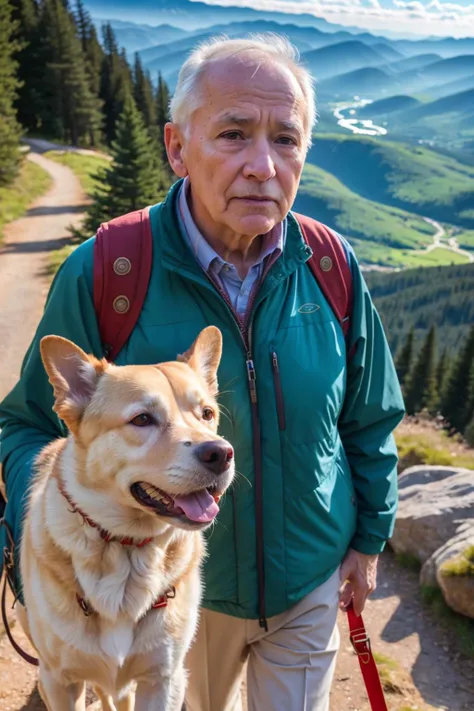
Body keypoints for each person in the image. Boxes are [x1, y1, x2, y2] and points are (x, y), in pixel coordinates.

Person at [0, 35, 405, 711]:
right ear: (176, 146)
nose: (263, 165)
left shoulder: (331, 267)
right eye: (233, 134)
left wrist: (366, 543)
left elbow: (371, 416)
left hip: (308, 580)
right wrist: (37, 543)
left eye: (286, 138)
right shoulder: (108, 273)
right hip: (179, 590)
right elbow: (24, 425)